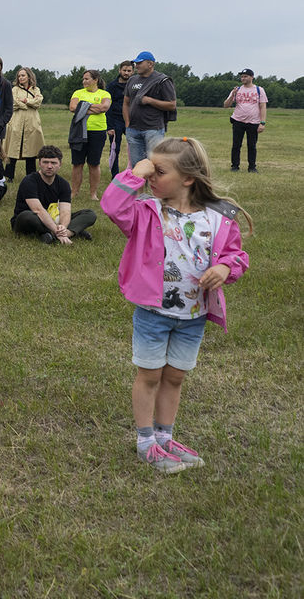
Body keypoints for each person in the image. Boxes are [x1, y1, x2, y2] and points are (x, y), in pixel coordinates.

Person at [101, 137, 251, 473]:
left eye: (158, 171)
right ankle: (145, 443)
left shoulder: (218, 217)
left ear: (188, 178)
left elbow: (237, 255)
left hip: (192, 316)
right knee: (150, 375)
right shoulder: (145, 210)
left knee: (175, 378)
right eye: (149, 170)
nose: (151, 177)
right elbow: (112, 206)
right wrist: (134, 175)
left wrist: (225, 267)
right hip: (154, 314)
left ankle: (165, 438)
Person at [10, 145, 97, 244]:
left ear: (60, 164)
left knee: (90, 214)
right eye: (45, 162)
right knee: (27, 216)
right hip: (30, 219)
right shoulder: (29, 181)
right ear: (39, 163)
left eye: (53, 163)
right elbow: (38, 210)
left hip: (53, 217)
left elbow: (65, 211)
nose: (49, 166)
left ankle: (61, 234)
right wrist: (56, 229)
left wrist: (63, 227)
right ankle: (73, 232)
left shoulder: (63, 184)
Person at [122, 51, 177, 167]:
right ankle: (141, 185)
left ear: (150, 64)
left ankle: (153, 185)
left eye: (139, 63)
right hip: (133, 129)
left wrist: (150, 101)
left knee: (154, 164)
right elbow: (126, 103)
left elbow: (172, 105)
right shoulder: (132, 80)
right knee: (136, 167)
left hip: (153, 129)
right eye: (135, 63)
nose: (136, 66)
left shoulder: (162, 80)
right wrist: (127, 124)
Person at [68, 69, 112, 200]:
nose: (84, 81)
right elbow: (72, 107)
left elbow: (104, 108)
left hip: (97, 131)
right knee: (77, 163)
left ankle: (93, 194)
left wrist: (83, 107)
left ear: (95, 80)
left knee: (94, 163)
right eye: (83, 79)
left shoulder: (104, 93)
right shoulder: (78, 93)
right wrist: (94, 108)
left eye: (87, 79)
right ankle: (74, 192)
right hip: (79, 131)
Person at [2, 66, 44, 181]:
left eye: (23, 75)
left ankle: (31, 176)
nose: (20, 77)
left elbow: (38, 102)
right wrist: (28, 104)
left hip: (32, 123)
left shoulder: (36, 90)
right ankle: (9, 176)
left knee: (30, 150)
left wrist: (26, 101)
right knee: (13, 149)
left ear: (29, 76)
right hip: (16, 122)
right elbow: (13, 103)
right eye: (19, 76)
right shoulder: (14, 89)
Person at [223, 68, 267, 172]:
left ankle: (252, 167)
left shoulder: (259, 90)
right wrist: (232, 95)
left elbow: (263, 106)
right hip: (238, 121)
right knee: (236, 145)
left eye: (245, 76)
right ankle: (234, 166)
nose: (243, 78)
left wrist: (262, 123)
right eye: (242, 76)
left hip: (254, 122)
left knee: (252, 146)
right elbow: (226, 105)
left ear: (252, 77)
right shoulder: (237, 90)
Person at [105, 60, 134, 176]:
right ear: (119, 70)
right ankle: (115, 175)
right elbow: (108, 107)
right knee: (114, 149)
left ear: (133, 71)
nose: (126, 73)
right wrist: (109, 126)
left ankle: (134, 173)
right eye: (124, 70)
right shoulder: (111, 86)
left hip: (131, 121)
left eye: (129, 71)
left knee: (134, 148)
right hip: (115, 121)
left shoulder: (135, 85)